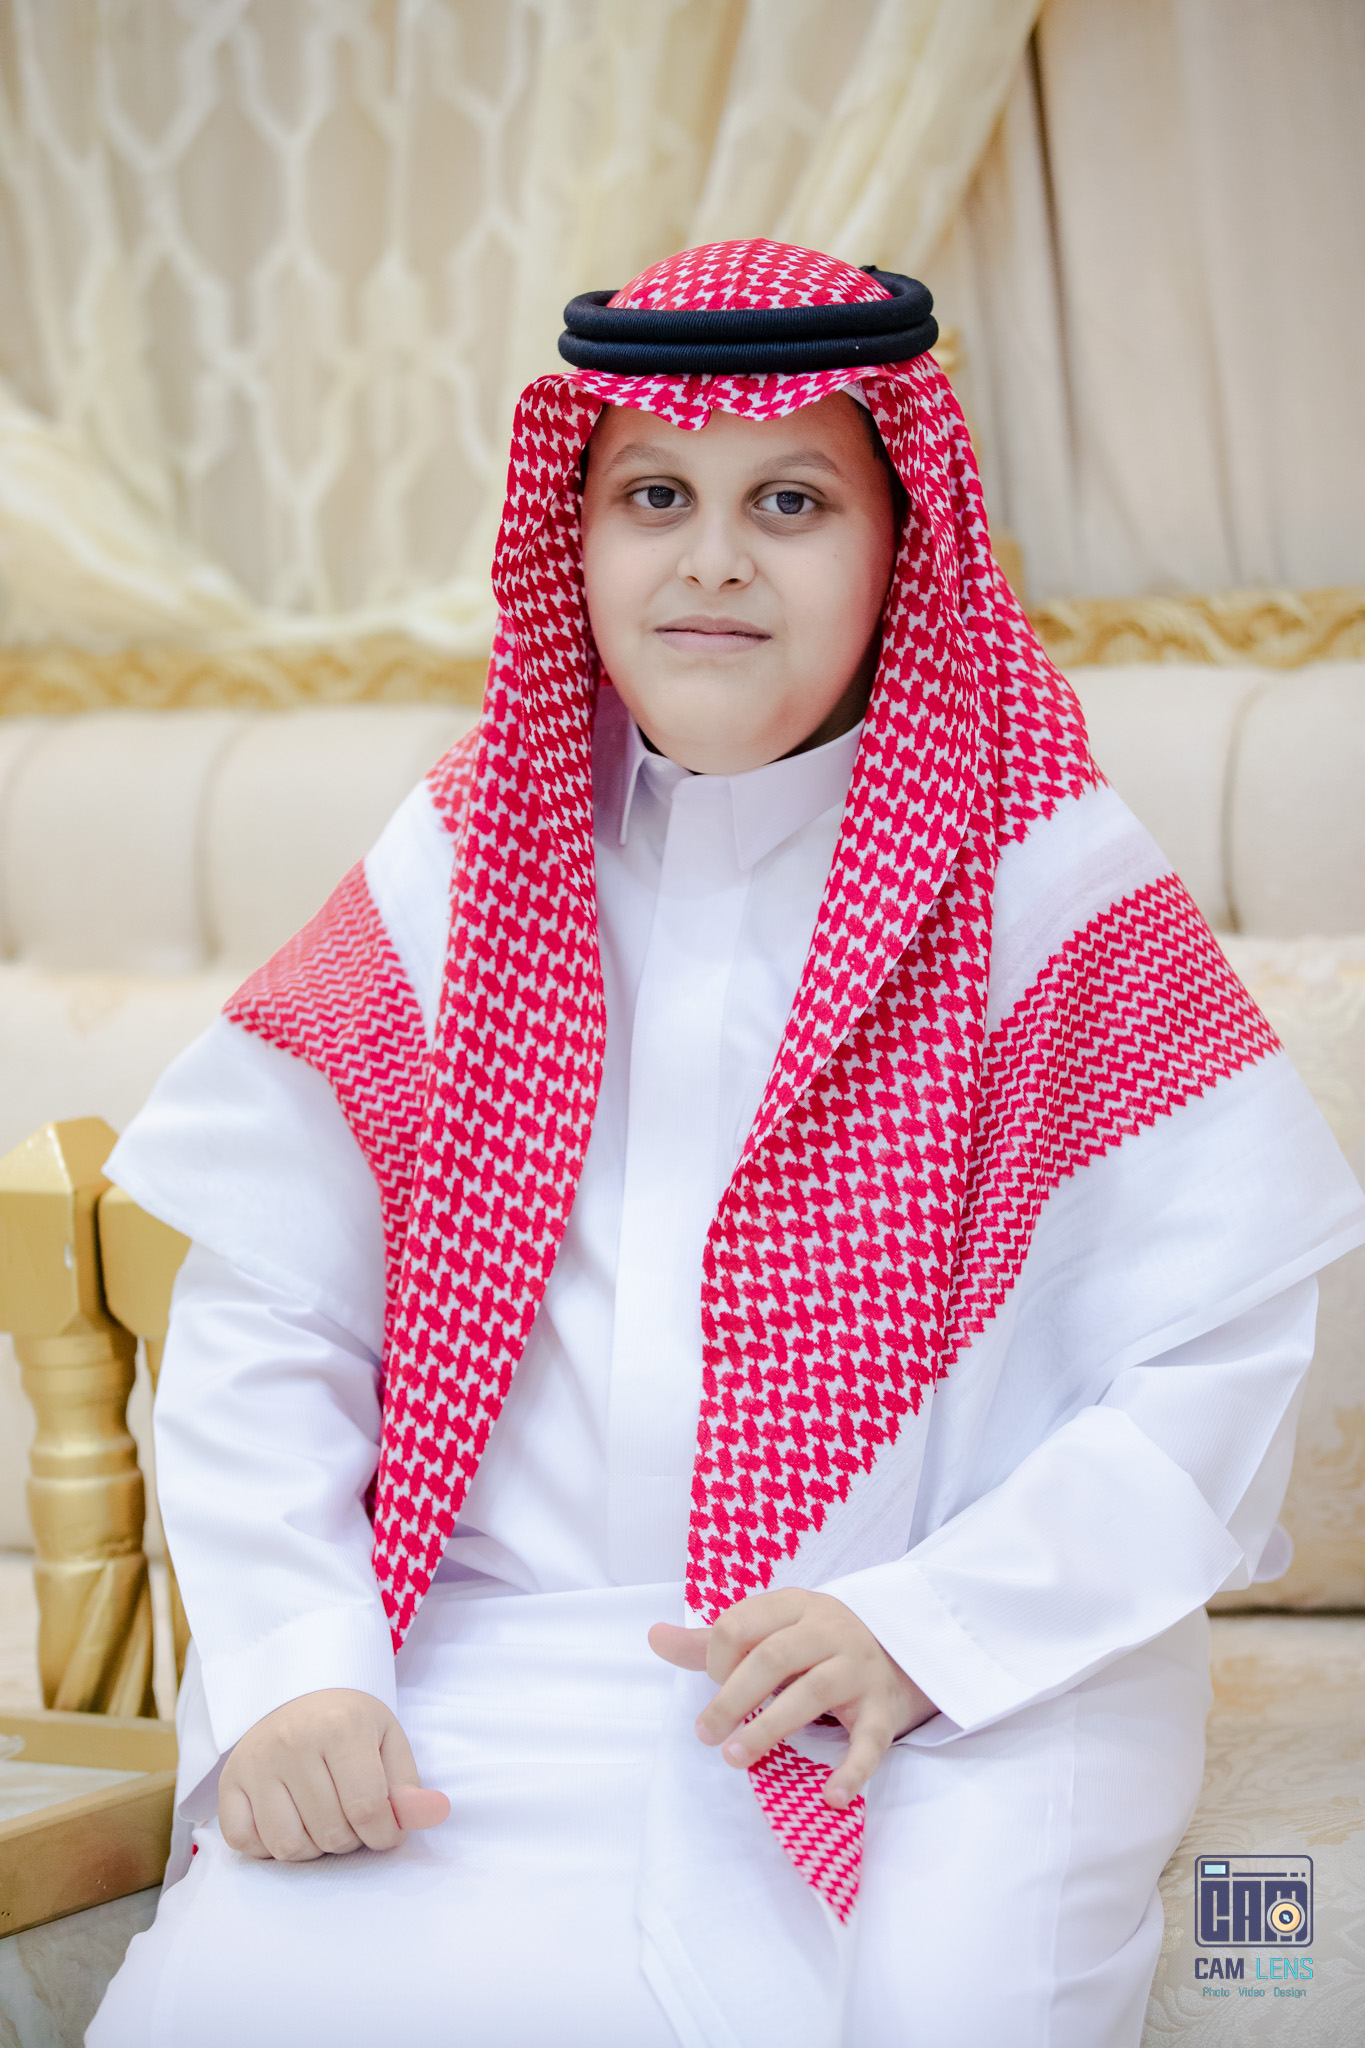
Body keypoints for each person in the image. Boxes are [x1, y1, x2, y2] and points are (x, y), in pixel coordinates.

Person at [89, 241, 1364, 2048]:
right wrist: (301, 1667)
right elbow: (269, 1315)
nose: (709, 559)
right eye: (653, 498)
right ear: (575, 534)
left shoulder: (1046, 887)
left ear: (903, 542)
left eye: (788, 501)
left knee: (917, 2007)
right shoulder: (466, 866)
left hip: (955, 1682)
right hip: (494, 1654)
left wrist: (924, 1627)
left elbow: (1206, 1368)